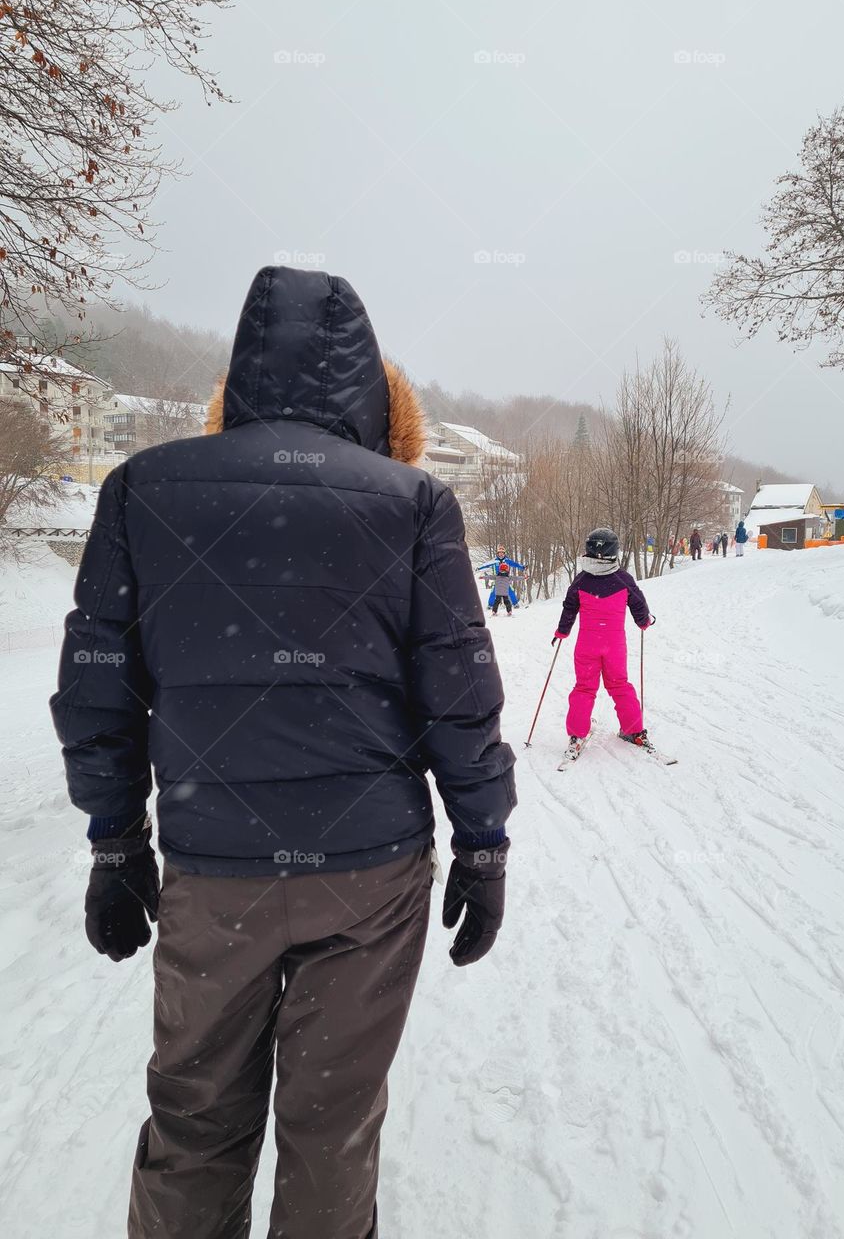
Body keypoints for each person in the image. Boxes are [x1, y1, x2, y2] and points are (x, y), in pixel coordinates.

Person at [50, 266, 517, 1239]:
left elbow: (99, 682)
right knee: (332, 1127)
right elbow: (459, 692)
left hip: (214, 872)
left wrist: (113, 840)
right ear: (378, 399)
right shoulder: (414, 504)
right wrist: (482, 839)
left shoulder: (145, 490)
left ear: (239, 382)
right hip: (370, 874)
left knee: (195, 1121)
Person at [552, 527, 655, 757]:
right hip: (614, 646)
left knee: (584, 687)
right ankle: (634, 731)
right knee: (620, 685)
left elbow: (569, 608)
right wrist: (643, 622)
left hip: (587, 645)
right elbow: (639, 605)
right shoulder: (624, 579)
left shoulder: (581, 581)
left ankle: (577, 734)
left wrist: (562, 632)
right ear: (614, 552)